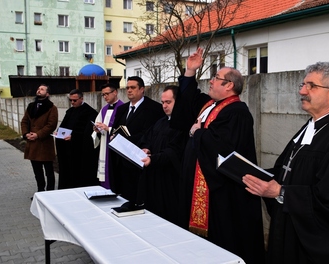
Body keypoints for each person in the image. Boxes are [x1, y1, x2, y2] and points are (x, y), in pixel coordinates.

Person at [242, 62, 329, 264]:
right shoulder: (310, 127)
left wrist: (281, 192)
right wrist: (255, 175)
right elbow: (287, 171)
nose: (302, 91)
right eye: (302, 85)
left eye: (311, 86)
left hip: (316, 249)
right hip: (291, 233)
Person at [170, 47, 265, 263]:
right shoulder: (210, 105)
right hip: (197, 183)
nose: (211, 81)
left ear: (229, 85)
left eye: (216, 78)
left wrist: (199, 131)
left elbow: (223, 146)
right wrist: (189, 72)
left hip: (220, 193)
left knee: (220, 239)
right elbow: (188, 98)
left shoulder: (237, 112)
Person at [110, 76, 164, 210]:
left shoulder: (154, 108)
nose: (129, 90)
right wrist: (113, 135)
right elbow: (116, 128)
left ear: (142, 89)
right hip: (120, 158)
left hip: (139, 158)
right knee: (123, 195)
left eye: (133, 87)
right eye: (127, 88)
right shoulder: (122, 109)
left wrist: (125, 140)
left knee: (137, 197)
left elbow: (150, 133)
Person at [139, 85, 185, 224]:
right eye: (162, 102)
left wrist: (153, 159)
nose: (164, 106)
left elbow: (174, 151)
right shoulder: (160, 121)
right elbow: (148, 139)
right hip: (154, 175)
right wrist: (146, 148)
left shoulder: (183, 124)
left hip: (171, 179)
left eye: (168, 102)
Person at [56, 89, 99, 189]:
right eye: (71, 100)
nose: (72, 103)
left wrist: (74, 137)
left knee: (78, 172)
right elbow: (64, 125)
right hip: (68, 148)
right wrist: (59, 132)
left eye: (74, 100)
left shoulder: (90, 112)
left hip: (80, 150)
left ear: (81, 98)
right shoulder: (70, 111)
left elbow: (88, 132)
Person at [21, 84, 58, 196]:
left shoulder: (52, 108)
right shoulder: (31, 106)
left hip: (44, 143)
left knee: (49, 171)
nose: (39, 90)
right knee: (37, 171)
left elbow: (51, 125)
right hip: (32, 143)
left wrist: (37, 134)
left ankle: (50, 192)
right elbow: (24, 121)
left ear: (47, 94)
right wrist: (26, 134)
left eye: (42, 89)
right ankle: (41, 192)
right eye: (38, 88)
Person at [92, 83, 124, 189]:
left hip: (117, 147)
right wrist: (97, 129)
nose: (105, 97)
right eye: (103, 95)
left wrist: (108, 129)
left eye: (107, 94)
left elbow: (125, 130)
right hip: (105, 145)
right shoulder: (104, 109)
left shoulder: (123, 108)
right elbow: (98, 123)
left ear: (115, 92)